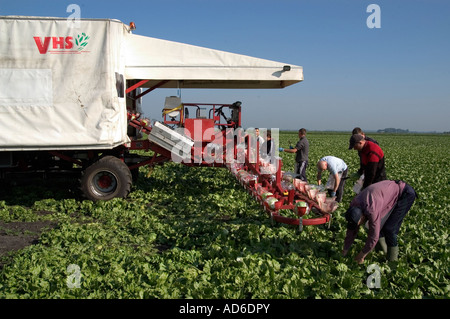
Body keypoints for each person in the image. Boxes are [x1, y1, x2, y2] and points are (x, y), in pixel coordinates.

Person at [342, 180, 417, 263]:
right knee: (378, 227)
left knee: (390, 229)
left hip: (404, 194)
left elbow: (374, 236)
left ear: (363, 216)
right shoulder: (354, 205)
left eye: (359, 222)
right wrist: (345, 249)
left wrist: (361, 256)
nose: (359, 225)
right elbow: (351, 229)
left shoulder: (371, 210)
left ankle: (392, 262)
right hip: (383, 195)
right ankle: (382, 252)